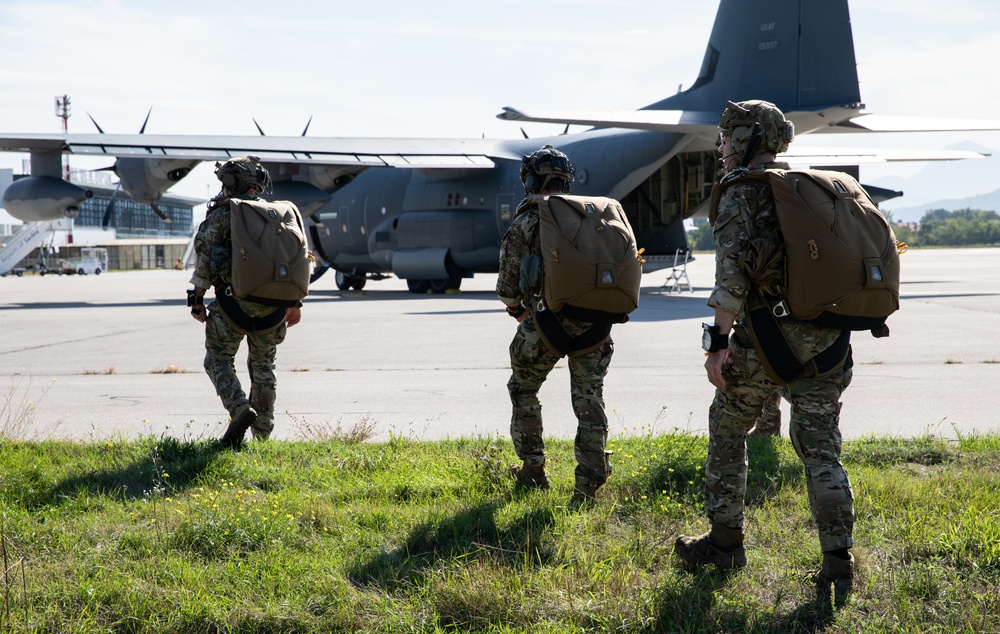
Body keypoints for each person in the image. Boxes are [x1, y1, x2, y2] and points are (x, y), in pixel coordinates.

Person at [674, 101, 856, 598]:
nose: (721, 146)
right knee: (822, 450)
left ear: (751, 139)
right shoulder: (812, 187)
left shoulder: (741, 192)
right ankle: (839, 565)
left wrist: (717, 343)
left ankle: (725, 542)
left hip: (764, 344)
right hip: (829, 344)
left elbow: (731, 275)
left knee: (728, 427)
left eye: (728, 137)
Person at [496, 145, 615, 505]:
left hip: (546, 325)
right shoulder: (594, 217)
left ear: (531, 180)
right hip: (597, 327)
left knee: (522, 389)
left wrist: (519, 312)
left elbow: (507, 288)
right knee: (590, 401)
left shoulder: (528, 220)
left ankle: (533, 471)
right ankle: (588, 485)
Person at [188, 156, 302, 450]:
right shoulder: (277, 214)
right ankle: (263, 437)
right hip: (274, 309)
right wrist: (295, 303)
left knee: (217, 360)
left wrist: (197, 299)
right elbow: (294, 261)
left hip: (232, 306)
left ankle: (240, 409)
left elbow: (204, 260)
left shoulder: (223, 214)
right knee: (264, 366)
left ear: (230, 182)